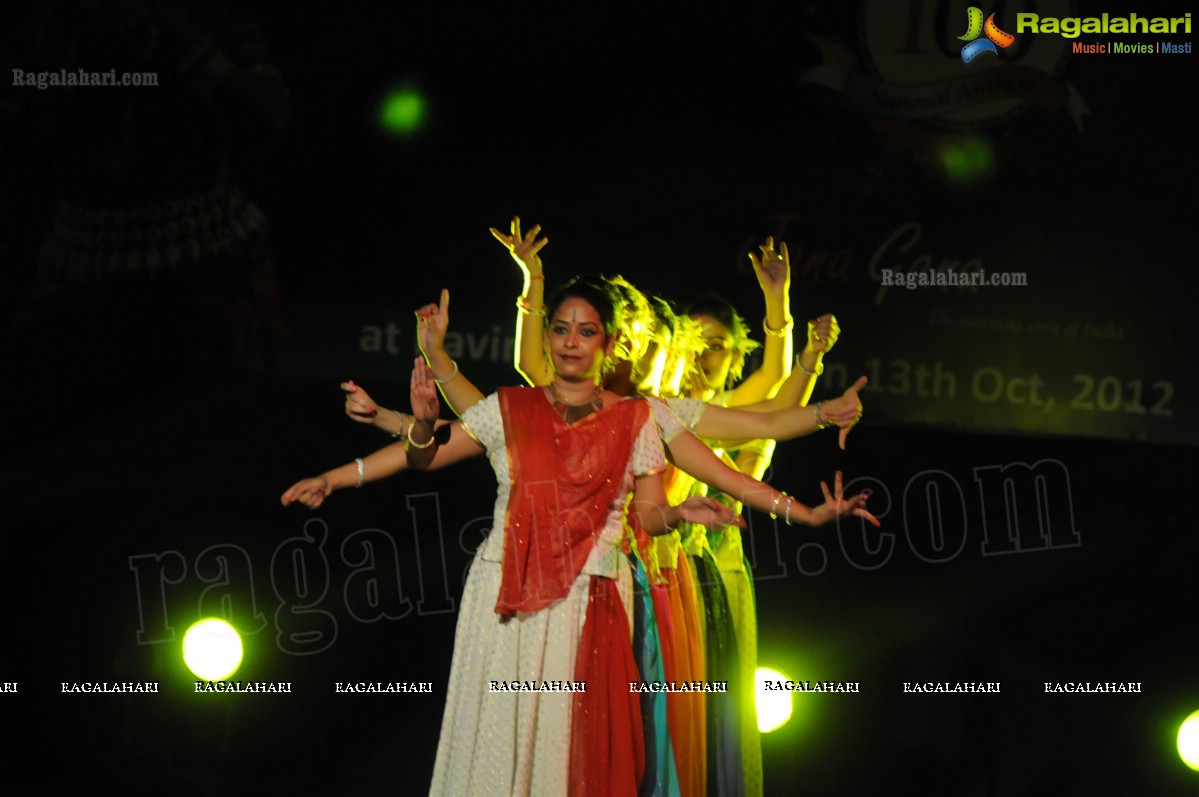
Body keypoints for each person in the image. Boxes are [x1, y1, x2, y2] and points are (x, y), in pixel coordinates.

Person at [402, 279, 874, 797]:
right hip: (544, 592)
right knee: (520, 740)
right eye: (570, 331)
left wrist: (819, 432)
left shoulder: (654, 412)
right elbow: (476, 417)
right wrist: (449, 349)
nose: (629, 349)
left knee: (600, 745)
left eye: (617, 335)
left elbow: (759, 427)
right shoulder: (549, 404)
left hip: (625, 594)